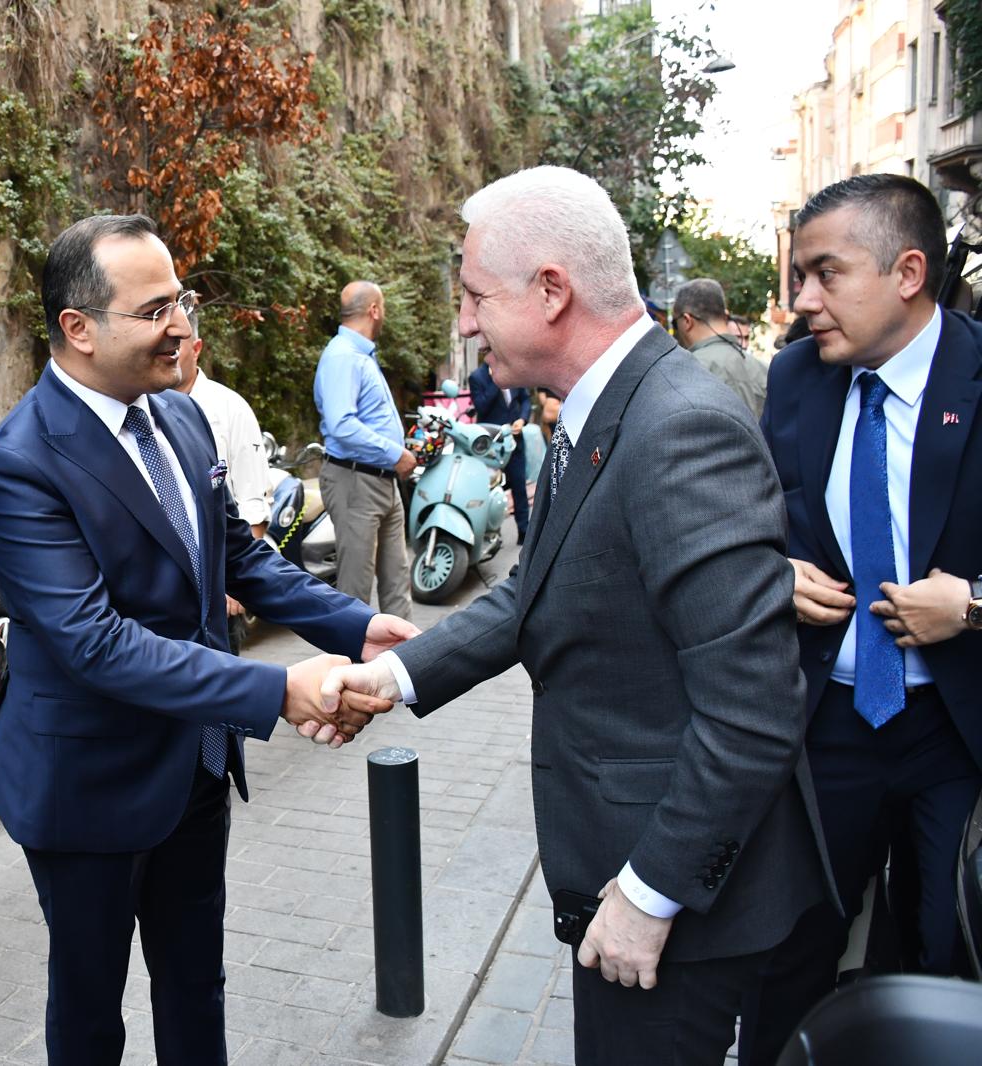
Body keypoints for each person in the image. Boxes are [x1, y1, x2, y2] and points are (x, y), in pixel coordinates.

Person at [320, 166, 828, 1066]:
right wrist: (394, 675)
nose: (464, 322)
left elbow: (753, 709)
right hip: (619, 876)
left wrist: (651, 893)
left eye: (476, 296)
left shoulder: (678, 428)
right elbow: (535, 591)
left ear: (552, 291)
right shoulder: (608, 410)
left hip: (671, 908)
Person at [0, 213, 416, 1066]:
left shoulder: (180, 417)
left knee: (195, 984)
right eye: (154, 310)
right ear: (78, 328)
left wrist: (354, 626)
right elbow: (95, 642)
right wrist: (277, 690)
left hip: (196, 767)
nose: (180, 325)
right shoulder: (17, 463)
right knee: (90, 1013)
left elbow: (236, 557)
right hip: (89, 787)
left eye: (181, 301)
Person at [738, 173, 982, 1065]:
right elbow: (755, 520)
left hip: (955, 733)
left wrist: (974, 605)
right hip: (827, 724)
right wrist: (771, 572)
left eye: (825, 274)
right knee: (790, 954)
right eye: (800, 276)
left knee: (944, 951)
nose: (802, 301)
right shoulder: (796, 377)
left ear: (908, 273)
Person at [313, 280, 413, 619]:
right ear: (374, 310)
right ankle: (351, 656)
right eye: (382, 308)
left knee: (397, 583)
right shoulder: (342, 356)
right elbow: (342, 425)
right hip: (355, 481)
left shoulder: (361, 355)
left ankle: (407, 653)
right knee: (355, 592)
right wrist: (396, 454)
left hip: (382, 481)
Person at [176, 304, 276, 625]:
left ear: (197, 348)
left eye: (178, 342)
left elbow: (252, 501)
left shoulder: (230, 408)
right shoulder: (143, 404)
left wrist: (237, 579)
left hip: (221, 579)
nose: (169, 350)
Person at [671, 278, 768, 420]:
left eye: (675, 323)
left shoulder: (687, 370)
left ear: (687, 321)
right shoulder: (765, 370)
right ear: (726, 315)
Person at [467, 360, 531, 543]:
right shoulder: (477, 377)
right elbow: (481, 406)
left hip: (514, 440)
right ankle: (491, 533)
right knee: (490, 488)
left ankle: (524, 532)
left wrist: (522, 419)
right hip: (490, 443)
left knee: (519, 486)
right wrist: (496, 380)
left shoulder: (513, 369)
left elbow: (525, 399)